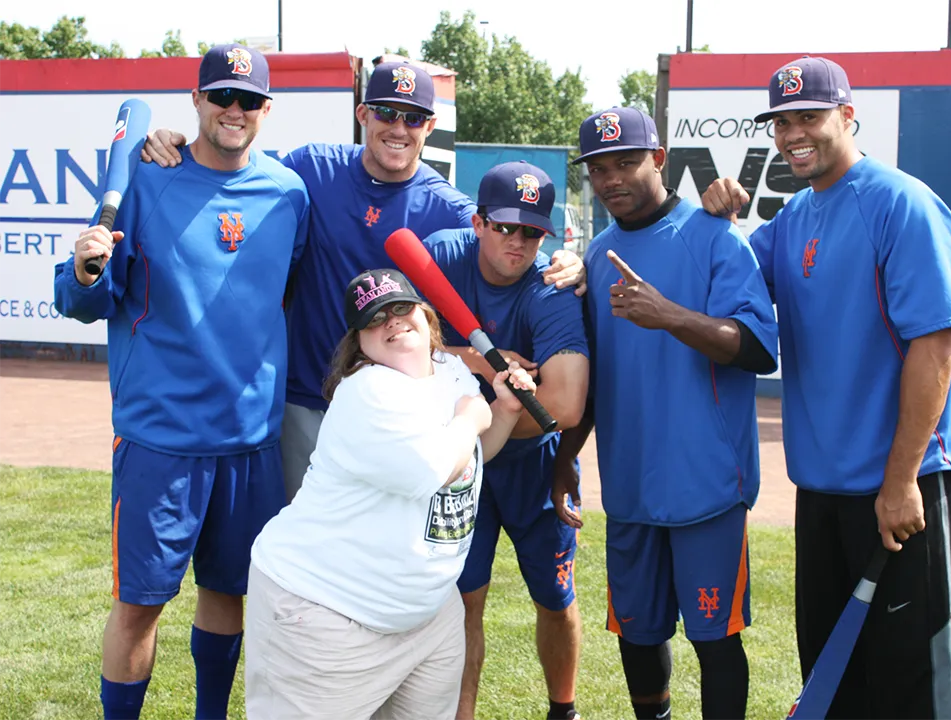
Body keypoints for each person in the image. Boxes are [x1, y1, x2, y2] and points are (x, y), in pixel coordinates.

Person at [140, 60, 587, 503]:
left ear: (429, 126)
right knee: (307, 539)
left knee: (381, 546)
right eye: (386, 112)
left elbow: (510, 242)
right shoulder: (312, 168)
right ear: (362, 115)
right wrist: (176, 143)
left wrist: (569, 263)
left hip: (396, 409)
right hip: (307, 399)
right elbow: (238, 172)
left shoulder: (448, 207)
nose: (399, 127)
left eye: (413, 117)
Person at [700, 56, 951, 719]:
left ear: (847, 117)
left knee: (917, 693)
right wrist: (712, 221)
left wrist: (901, 479)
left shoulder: (900, 202)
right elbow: (716, 283)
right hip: (823, 491)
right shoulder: (793, 220)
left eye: (810, 118)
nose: (794, 133)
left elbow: (935, 346)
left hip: (906, 488)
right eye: (782, 122)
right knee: (835, 683)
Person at [53, 45, 309, 720]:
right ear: (195, 101)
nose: (234, 110)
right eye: (221, 96)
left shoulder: (287, 192)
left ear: (267, 111)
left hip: (250, 441)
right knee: (139, 606)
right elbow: (81, 299)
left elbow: (281, 290)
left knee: (229, 593)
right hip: (160, 441)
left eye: (249, 100)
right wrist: (82, 271)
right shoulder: (141, 180)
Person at [551, 107, 779, 720]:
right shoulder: (597, 257)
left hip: (705, 484)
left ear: (658, 159)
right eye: (598, 169)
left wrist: (670, 315)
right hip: (629, 489)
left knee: (714, 640)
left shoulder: (712, 233)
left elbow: (758, 348)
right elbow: (593, 379)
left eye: (625, 161)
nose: (612, 179)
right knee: (639, 633)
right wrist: (565, 458)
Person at [244, 268, 535, 719]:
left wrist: (505, 412)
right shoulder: (368, 392)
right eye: (375, 318)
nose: (393, 321)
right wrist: (474, 415)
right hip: (326, 613)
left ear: (426, 315)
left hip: (427, 614)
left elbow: (468, 458)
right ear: (359, 342)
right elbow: (434, 467)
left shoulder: (451, 371)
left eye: (402, 308)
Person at [423, 162, 589, 720]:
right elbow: (375, 337)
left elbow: (563, 405)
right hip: (463, 465)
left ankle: (562, 710)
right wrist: (476, 358)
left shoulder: (550, 288)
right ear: (478, 222)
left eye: (532, 231)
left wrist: (481, 423)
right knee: (462, 601)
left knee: (554, 598)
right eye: (504, 227)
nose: (518, 241)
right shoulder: (441, 256)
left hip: (532, 465)